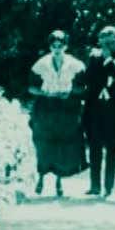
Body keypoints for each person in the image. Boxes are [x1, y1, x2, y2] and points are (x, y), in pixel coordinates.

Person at [27, 30, 88, 197]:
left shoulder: (76, 65)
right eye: (54, 45)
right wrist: (46, 93)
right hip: (46, 108)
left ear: (66, 46)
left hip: (67, 109)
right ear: (50, 47)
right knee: (44, 142)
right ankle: (41, 178)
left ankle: (58, 181)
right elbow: (31, 87)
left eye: (60, 45)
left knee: (62, 143)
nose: (57, 49)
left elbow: (83, 87)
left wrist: (71, 92)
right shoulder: (40, 65)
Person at [82, 26, 115, 198]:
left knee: (112, 149)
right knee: (95, 148)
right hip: (96, 109)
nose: (109, 46)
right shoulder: (93, 57)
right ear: (100, 42)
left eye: (112, 42)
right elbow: (88, 80)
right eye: (105, 43)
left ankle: (109, 186)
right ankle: (95, 185)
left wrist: (109, 61)